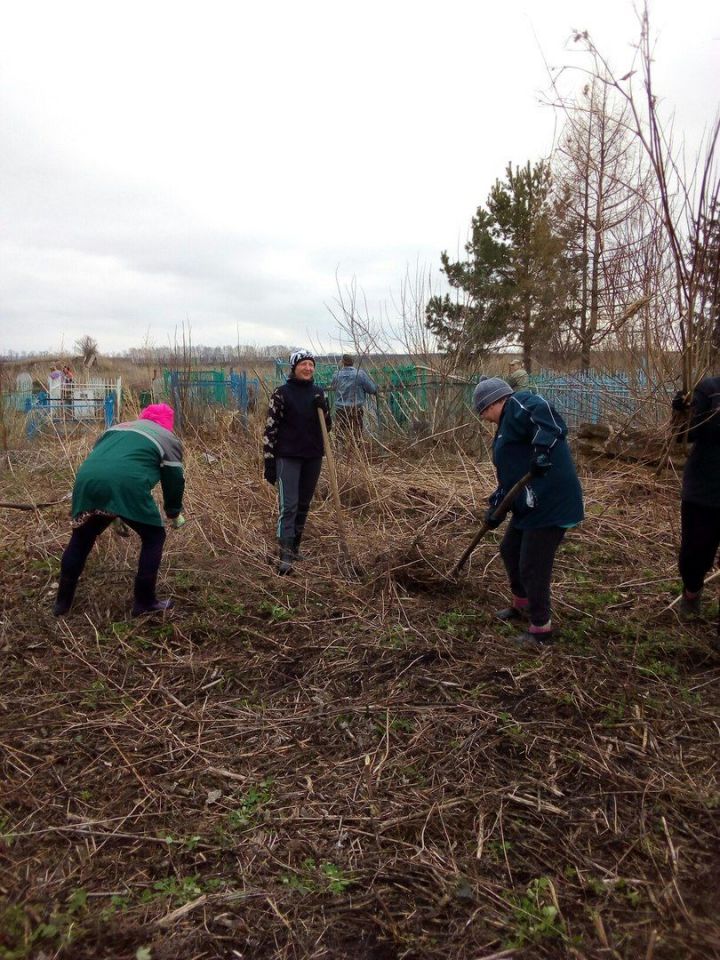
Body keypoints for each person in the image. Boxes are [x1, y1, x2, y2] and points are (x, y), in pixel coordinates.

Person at [473, 376, 584, 647]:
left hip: (550, 502)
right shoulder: (504, 429)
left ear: (495, 401)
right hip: (529, 504)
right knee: (510, 550)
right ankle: (521, 604)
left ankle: (540, 628)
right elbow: (509, 479)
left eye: (484, 410)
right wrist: (495, 509)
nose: (484, 417)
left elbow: (548, 417)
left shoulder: (520, 403)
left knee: (533, 564)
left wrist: (542, 452)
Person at [53, 403, 185, 617]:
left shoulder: (116, 428)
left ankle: (62, 603)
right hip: (125, 484)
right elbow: (175, 480)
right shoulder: (167, 438)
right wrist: (173, 512)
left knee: (81, 538)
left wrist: (113, 513)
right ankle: (144, 602)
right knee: (154, 537)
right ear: (167, 424)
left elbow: (106, 462)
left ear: (143, 417)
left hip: (87, 481)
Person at [263, 349, 332, 574]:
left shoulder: (318, 393)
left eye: (311, 365)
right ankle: (285, 556)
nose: (308, 368)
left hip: (312, 456)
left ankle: (295, 548)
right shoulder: (281, 393)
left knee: (303, 504)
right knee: (289, 505)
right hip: (288, 457)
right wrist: (269, 462)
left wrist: (324, 408)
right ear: (294, 367)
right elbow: (270, 429)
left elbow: (327, 427)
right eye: (304, 364)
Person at [672, 377, 720, 621]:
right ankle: (692, 591)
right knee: (694, 557)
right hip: (704, 491)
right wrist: (681, 412)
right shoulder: (709, 390)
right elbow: (683, 436)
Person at [330, 354, 378, 439]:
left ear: (342, 362)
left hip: (340, 410)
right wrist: (376, 389)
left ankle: (341, 451)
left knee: (340, 435)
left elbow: (333, 387)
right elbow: (371, 389)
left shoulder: (336, 375)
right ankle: (356, 450)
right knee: (356, 435)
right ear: (353, 362)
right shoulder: (360, 374)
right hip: (356, 409)